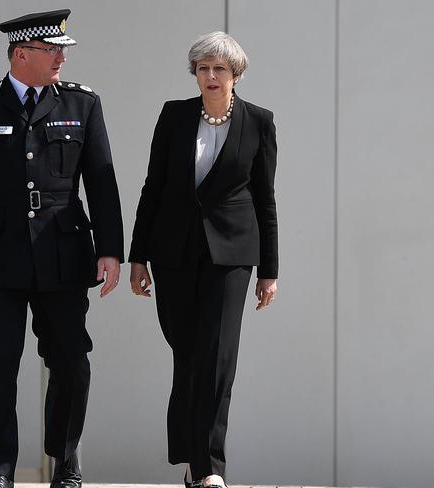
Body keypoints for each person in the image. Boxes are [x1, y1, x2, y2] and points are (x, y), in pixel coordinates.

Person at [0, 9, 124, 488]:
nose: (62, 57)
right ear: (22, 54)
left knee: (72, 361)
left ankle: (66, 460)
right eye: (52, 50)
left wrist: (111, 248)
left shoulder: (83, 105)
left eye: (63, 50)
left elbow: (101, 182)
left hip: (63, 254)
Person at [129, 31, 278, 488]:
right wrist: (138, 257)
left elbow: (265, 199)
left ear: (236, 74)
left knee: (218, 358)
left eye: (219, 68)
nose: (210, 76)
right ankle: (193, 459)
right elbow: (152, 187)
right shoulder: (174, 116)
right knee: (188, 354)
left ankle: (210, 466)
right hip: (172, 253)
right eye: (202, 68)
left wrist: (270, 271)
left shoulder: (258, 122)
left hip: (231, 254)